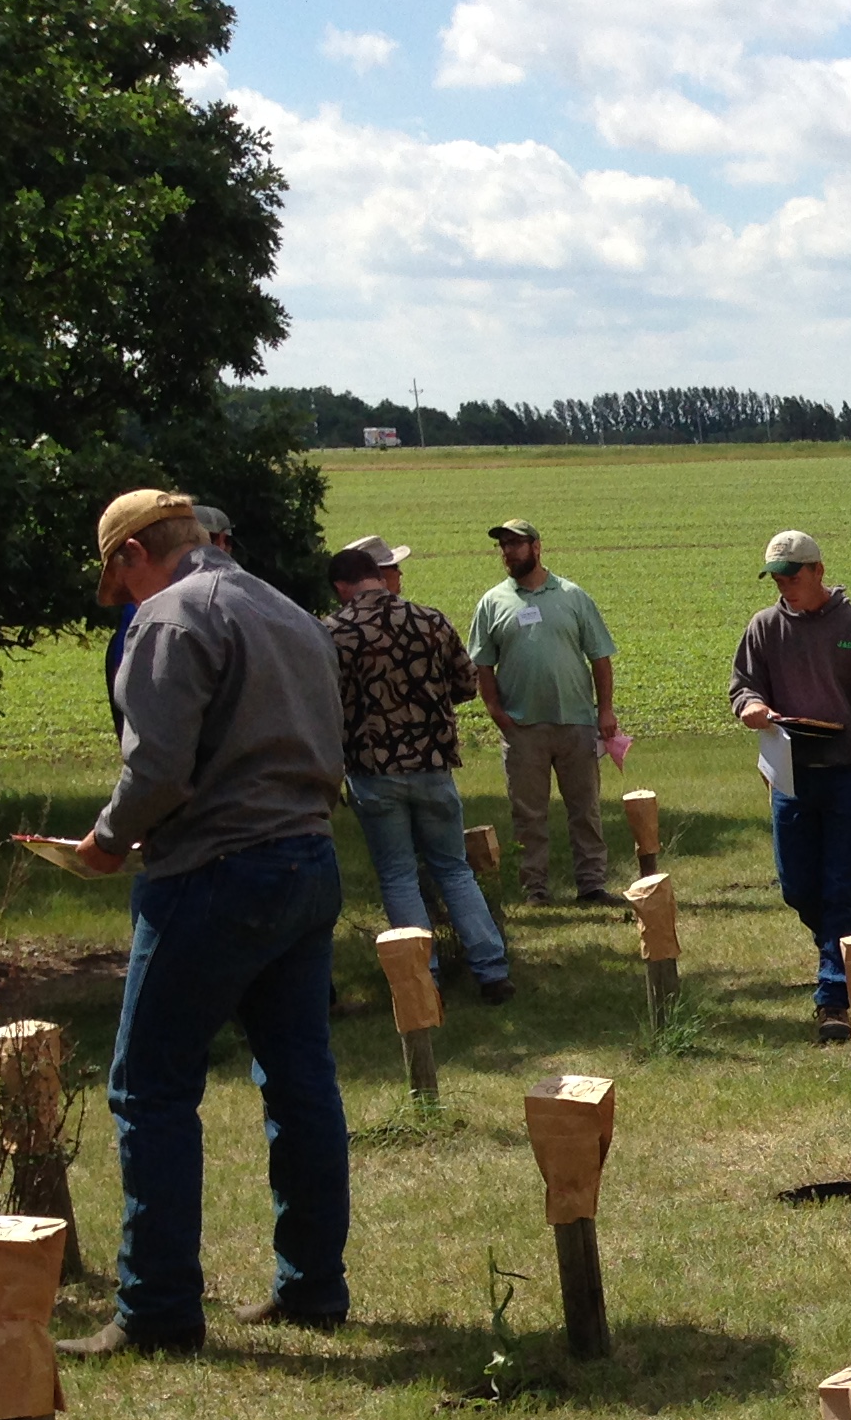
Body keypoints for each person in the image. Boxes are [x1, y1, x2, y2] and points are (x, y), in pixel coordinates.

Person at [57, 490, 350, 1357]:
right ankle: (312, 1286)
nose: (119, 591)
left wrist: (106, 844)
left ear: (132, 554)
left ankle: (156, 1311)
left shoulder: (169, 617)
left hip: (215, 872)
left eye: (116, 572)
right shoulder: (287, 612)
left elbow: (156, 772)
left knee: (147, 1088)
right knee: (300, 1082)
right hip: (307, 862)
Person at [730, 529, 851, 1041]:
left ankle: (833, 998)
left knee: (841, 888)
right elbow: (742, 684)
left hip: (850, 777)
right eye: (775, 578)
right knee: (797, 887)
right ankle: (840, 948)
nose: (783, 586)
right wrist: (752, 708)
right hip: (790, 776)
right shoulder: (763, 628)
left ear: (818, 571)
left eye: (791, 576)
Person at [324, 535, 513, 1004]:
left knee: (398, 875)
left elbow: (325, 704)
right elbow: (467, 684)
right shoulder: (429, 619)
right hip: (433, 765)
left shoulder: (334, 632)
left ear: (342, 585)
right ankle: (491, 970)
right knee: (454, 869)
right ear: (378, 576)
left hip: (373, 770)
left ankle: (421, 974)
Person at [467, 516, 621, 905]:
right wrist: (496, 711)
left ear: (536, 547)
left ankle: (592, 885)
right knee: (528, 816)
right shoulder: (492, 602)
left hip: (576, 722)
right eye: (503, 545)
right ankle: (533, 889)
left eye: (515, 544)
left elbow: (600, 658)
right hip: (522, 728)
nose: (508, 552)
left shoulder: (573, 596)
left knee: (584, 810)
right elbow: (482, 664)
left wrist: (605, 711)